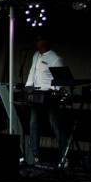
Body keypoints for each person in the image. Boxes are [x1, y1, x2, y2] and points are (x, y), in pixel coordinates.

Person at [24, 32, 68, 166]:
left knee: (56, 126)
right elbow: (32, 72)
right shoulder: (36, 55)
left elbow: (60, 81)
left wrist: (52, 91)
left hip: (49, 96)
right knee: (33, 125)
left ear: (45, 41)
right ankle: (34, 155)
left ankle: (65, 157)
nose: (35, 43)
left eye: (38, 40)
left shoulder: (55, 58)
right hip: (36, 94)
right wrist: (27, 87)